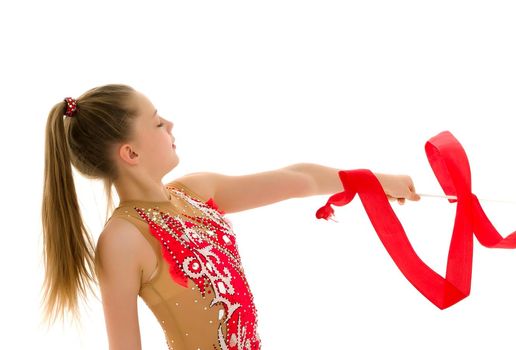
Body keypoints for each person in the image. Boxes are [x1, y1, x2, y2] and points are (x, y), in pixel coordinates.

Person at [40, 83, 420, 350]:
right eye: (157, 122)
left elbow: (296, 178)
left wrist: (377, 182)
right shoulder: (123, 240)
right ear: (131, 154)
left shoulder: (195, 191)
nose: (170, 124)